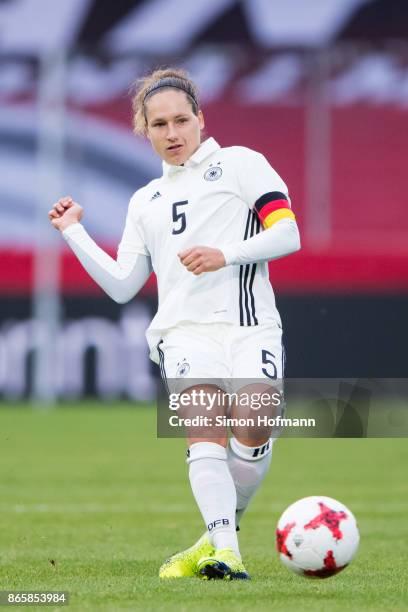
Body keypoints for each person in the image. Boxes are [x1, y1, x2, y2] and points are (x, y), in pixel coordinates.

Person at [48, 68, 300, 580]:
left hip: (250, 326)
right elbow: (123, 285)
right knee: (204, 436)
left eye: (182, 120)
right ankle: (228, 554)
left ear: (201, 119)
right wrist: (73, 233)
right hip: (182, 335)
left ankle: (214, 536)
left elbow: (288, 234)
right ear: (145, 130)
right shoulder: (145, 201)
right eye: (159, 124)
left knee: (254, 426)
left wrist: (224, 254)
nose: (173, 133)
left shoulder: (241, 165)